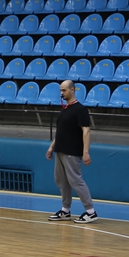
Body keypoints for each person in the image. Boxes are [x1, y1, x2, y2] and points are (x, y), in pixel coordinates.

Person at [46, 79, 97, 223]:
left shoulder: (80, 109)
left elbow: (86, 131)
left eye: (64, 90)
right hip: (61, 150)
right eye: (60, 90)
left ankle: (91, 211)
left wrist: (85, 152)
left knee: (76, 181)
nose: (61, 93)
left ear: (72, 90)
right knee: (62, 181)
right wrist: (52, 147)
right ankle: (65, 210)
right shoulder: (65, 109)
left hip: (72, 151)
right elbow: (61, 131)